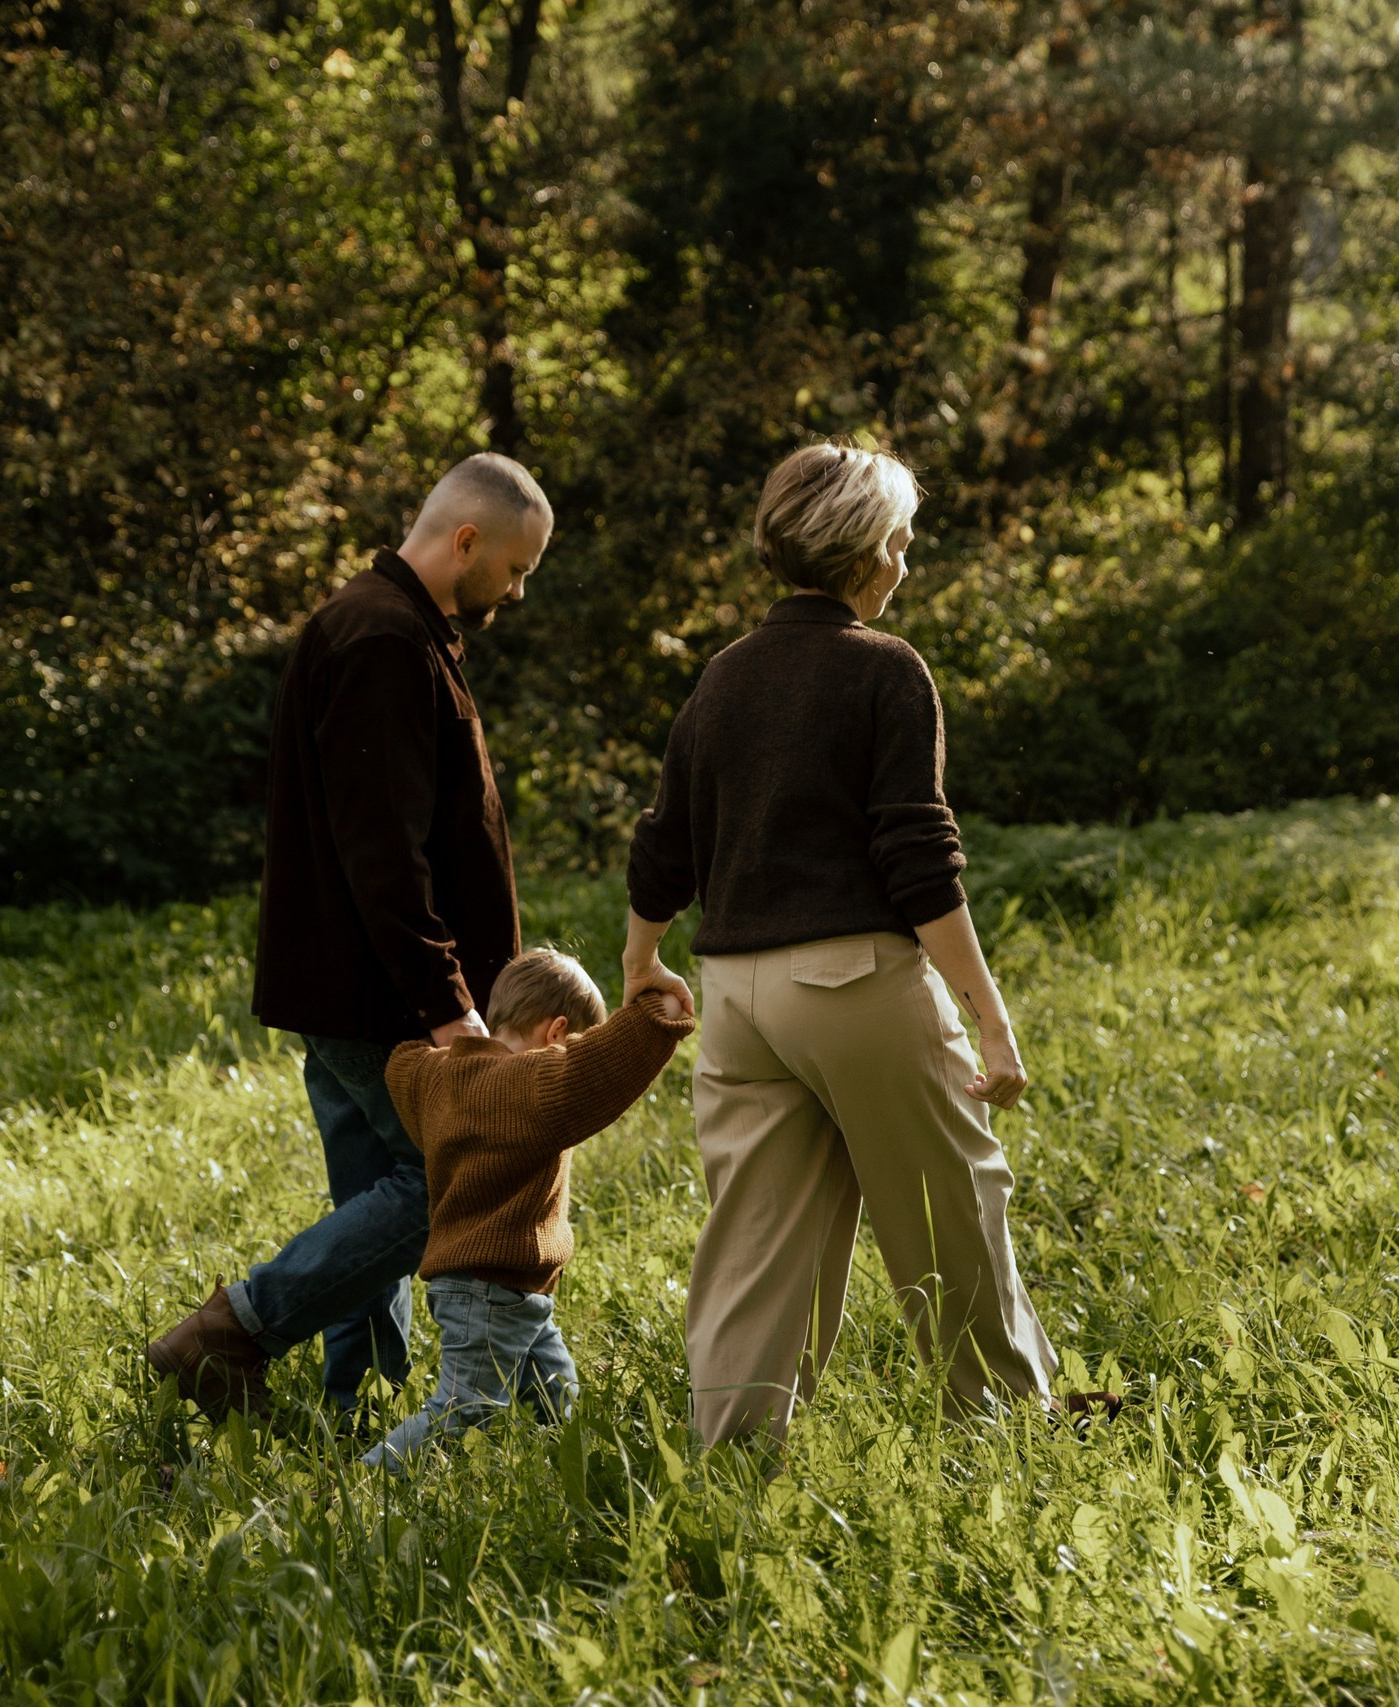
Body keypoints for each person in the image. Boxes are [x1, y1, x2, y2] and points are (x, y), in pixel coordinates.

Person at [622, 442, 1100, 1446]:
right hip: (852, 984)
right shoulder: (886, 669)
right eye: (904, 544)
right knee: (948, 1205)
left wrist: (639, 960)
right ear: (869, 551)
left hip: (735, 998)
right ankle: (1008, 1429)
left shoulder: (722, 678)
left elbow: (664, 843)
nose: (906, 565)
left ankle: (730, 1456)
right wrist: (989, 1015)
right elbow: (918, 859)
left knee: (756, 1246)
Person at [146, 453, 549, 1422]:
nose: (518, 592)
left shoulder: (391, 628)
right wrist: (449, 1006)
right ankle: (233, 1331)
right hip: (384, 996)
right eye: (516, 568)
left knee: (375, 1191)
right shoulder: (382, 639)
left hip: (353, 986)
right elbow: (383, 851)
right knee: (453, 1183)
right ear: (467, 542)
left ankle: (358, 1401)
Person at [362, 948, 695, 1470]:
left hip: (503, 1290)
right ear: (558, 1032)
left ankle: (572, 1474)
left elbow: (402, 1061)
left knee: (558, 1397)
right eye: (574, 1040)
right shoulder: (533, 1083)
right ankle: (365, 1483)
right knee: (462, 1409)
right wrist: (660, 1014)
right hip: (493, 1287)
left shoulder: (433, 1077)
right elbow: (603, 1064)